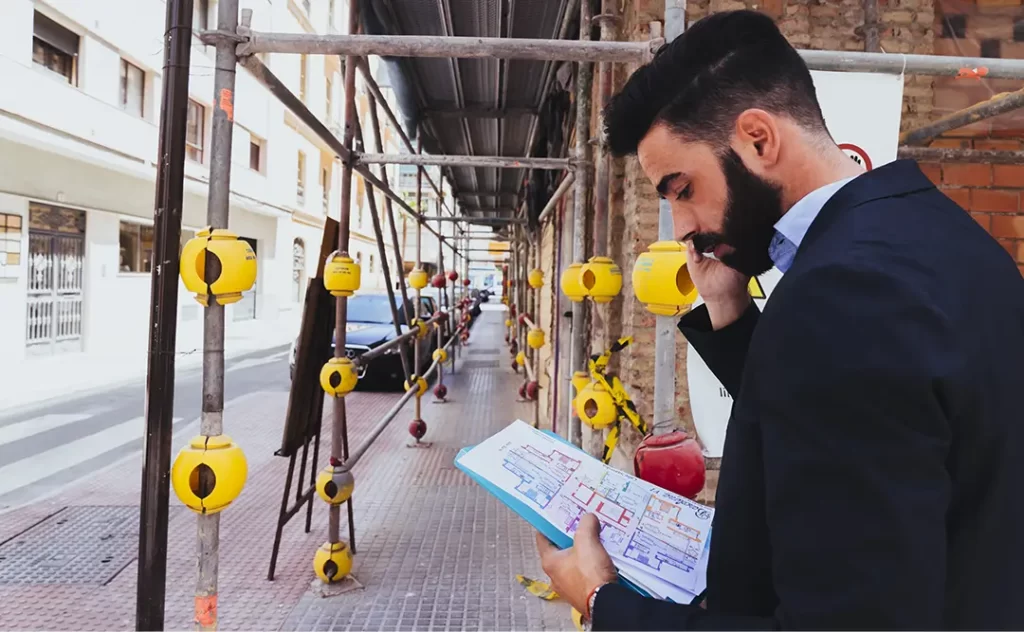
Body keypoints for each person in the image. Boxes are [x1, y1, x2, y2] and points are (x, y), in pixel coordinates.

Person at [535, 9, 1024, 631]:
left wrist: (605, 601)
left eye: (683, 189)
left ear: (758, 140)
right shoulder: (936, 231)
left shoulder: (843, 291)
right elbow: (851, 422)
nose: (682, 227)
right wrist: (729, 310)